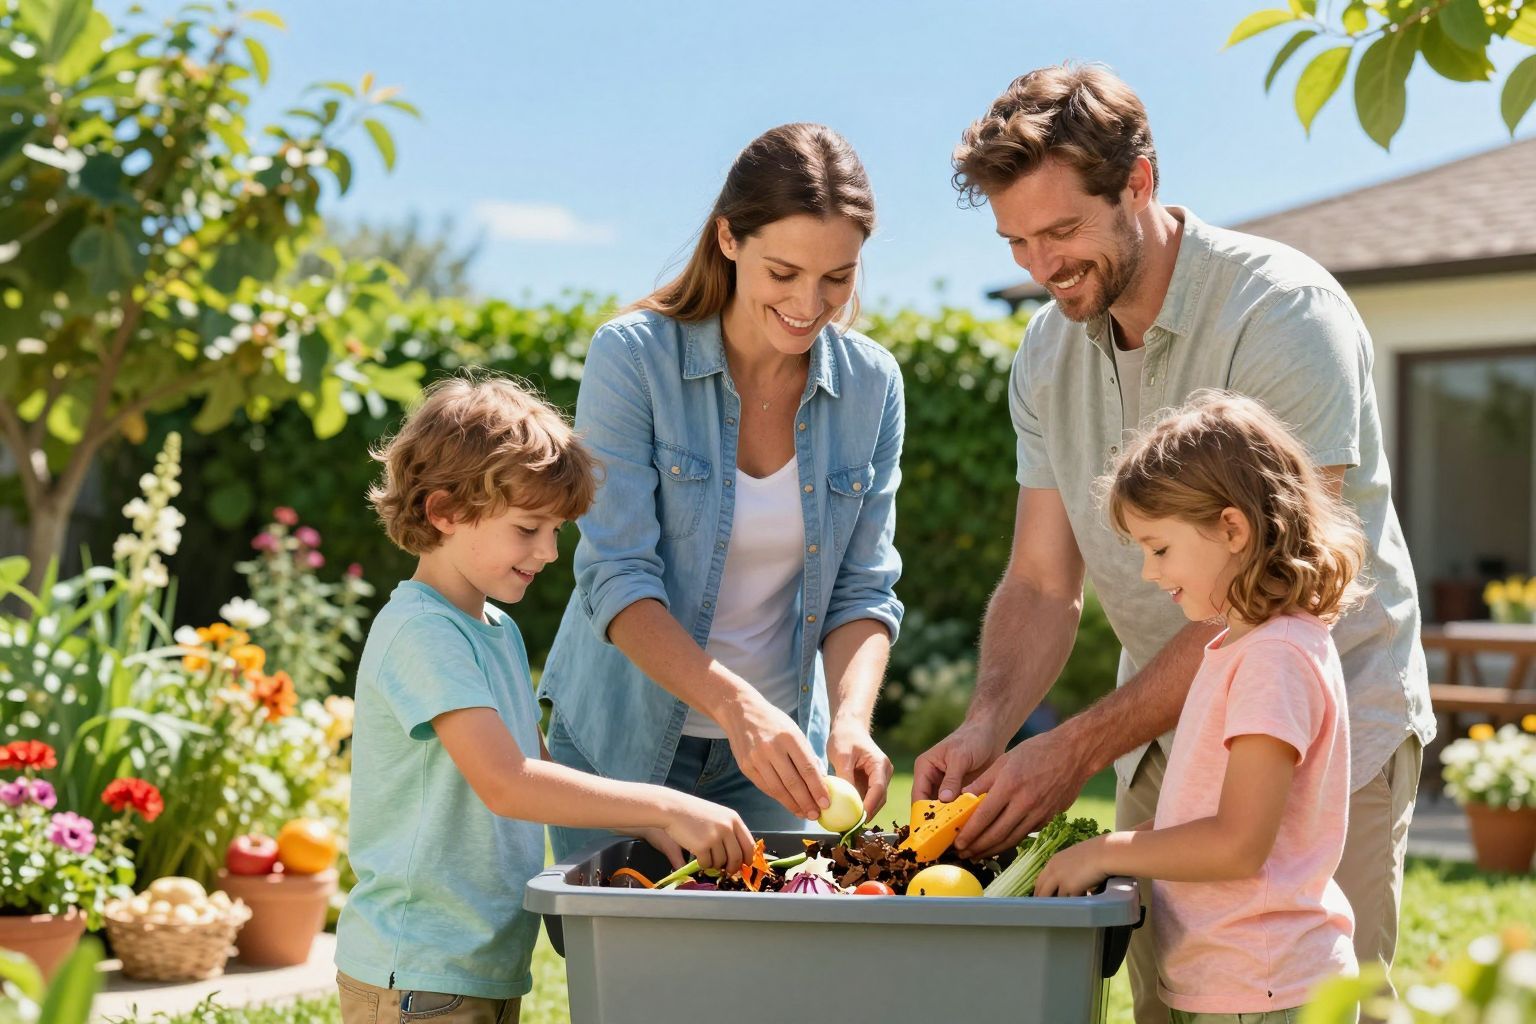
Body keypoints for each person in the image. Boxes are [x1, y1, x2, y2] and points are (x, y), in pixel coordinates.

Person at [914, 63, 1433, 1023]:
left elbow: (1276, 591)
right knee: (1175, 999)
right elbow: (1041, 581)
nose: (1040, 266)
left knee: (1318, 998)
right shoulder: (1046, 351)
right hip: (1167, 720)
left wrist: (1074, 747)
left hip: (1323, 728)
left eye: (1062, 231)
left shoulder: (1280, 311)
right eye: (1017, 240)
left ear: (1139, 183)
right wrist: (988, 726)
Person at [334, 375, 754, 1024]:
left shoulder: (495, 630)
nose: (550, 552)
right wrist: (669, 805)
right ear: (444, 511)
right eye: (528, 528)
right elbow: (507, 783)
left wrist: (648, 825)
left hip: (479, 965)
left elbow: (539, 768)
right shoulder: (423, 632)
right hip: (417, 969)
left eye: (556, 530)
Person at [537, 123, 905, 861]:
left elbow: (863, 588)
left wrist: (850, 720)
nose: (810, 303)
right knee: (620, 939)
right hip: (624, 741)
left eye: (838, 277)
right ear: (729, 239)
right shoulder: (633, 358)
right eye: (784, 272)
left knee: (773, 940)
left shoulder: (872, 385)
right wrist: (738, 707)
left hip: (778, 765)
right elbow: (617, 576)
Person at [1036, 392, 1363, 1024]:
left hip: (1264, 988)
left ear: (1232, 529)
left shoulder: (1273, 659)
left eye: (1159, 548)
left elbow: (1237, 844)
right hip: (1238, 985)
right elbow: (1203, 819)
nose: (1148, 572)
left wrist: (1106, 852)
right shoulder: (1238, 648)